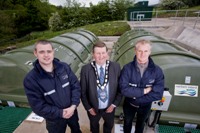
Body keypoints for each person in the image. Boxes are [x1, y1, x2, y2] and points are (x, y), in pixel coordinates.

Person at [23, 40, 82, 133]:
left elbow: (75, 86)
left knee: (76, 130)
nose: (46, 55)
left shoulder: (64, 67)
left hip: (72, 112)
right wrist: (60, 113)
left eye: (49, 51)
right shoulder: (31, 79)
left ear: (53, 52)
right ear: (35, 53)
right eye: (42, 52)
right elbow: (37, 106)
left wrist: (73, 105)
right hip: (54, 120)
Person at [119, 39, 164, 133]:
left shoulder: (157, 71)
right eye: (140, 51)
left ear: (150, 52)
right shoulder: (127, 68)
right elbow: (124, 90)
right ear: (135, 51)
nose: (142, 54)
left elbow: (158, 94)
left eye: (145, 51)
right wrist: (145, 91)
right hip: (129, 105)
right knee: (127, 122)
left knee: (141, 124)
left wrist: (136, 98)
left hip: (146, 106)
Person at [80, 41, 122, 133]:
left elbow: (120, 89)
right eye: (98, 53)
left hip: (109, 107)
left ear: (107, 53)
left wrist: (114, 104)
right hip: (93, 108)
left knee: (109, 125)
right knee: (94, 125)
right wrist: (88, 108)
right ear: (93, 54)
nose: (101, 56)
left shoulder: (116, 67)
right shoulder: (86, 69)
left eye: (103, 53)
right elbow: (82, 92)